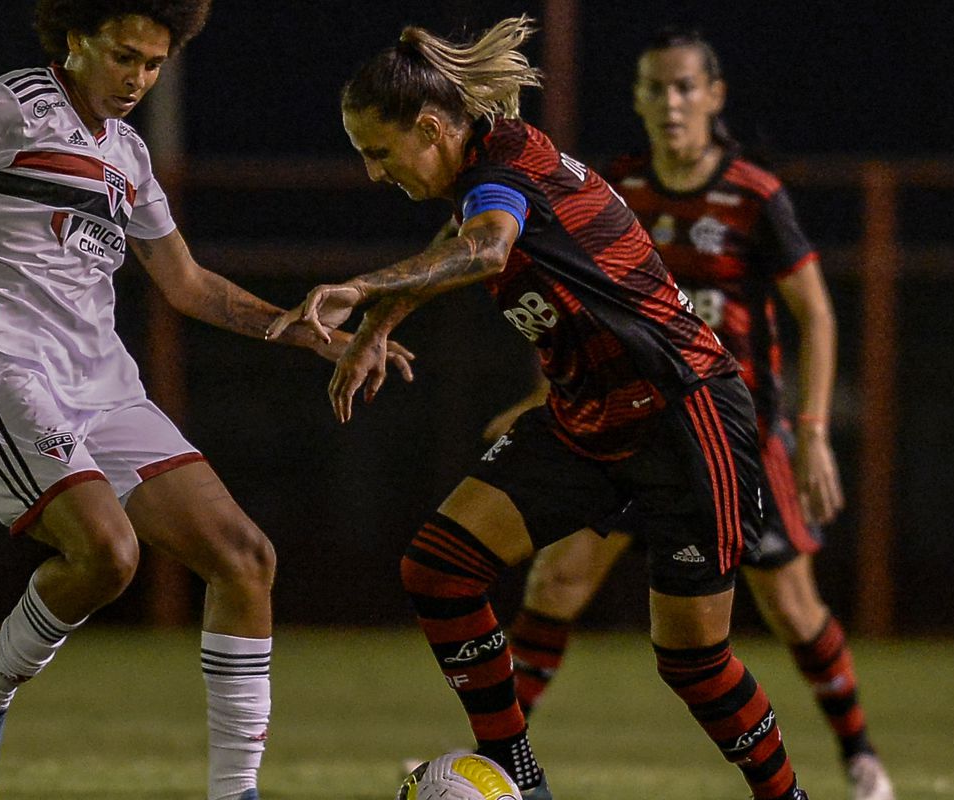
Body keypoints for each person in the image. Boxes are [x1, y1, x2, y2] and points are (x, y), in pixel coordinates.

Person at [0, 2, 412, 798]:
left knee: (246, 559)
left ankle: (233, 793)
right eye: (124, 57)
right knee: (108, 554)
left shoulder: (130, 157)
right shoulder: (11, 106)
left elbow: (186, 283)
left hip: (103, 385)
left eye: (153, 64)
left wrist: (302, 333)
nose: (138, 77)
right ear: (77, 40)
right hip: (1, 366)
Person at [269, 17, 809, 800]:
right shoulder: (485, 171)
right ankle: (523, 784)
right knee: (440, 568)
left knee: (693, 660)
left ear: (429, 126)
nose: (371, 172)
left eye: (378, 151)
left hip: (685, 413)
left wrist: (362, 290)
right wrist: (379, 328)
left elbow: (486, 247)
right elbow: (457, 237)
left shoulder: (508, 165)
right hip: (590, 415)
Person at [497, 28, 895, 800]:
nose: (670, 102)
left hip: (734, 435)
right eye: (654, 88)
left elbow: (815, 313)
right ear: (639, 101)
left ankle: (861, 758)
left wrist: (811, 433)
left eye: (685, 87)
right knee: (558, 579)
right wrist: (549, 390)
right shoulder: (615, 185)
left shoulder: (754, 195)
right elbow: (572, 302)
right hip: (632, 425)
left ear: (714, 98)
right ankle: (500, 754)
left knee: (792, 606)